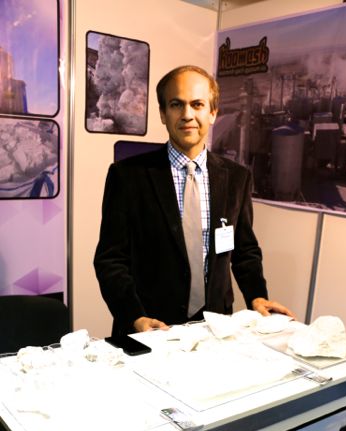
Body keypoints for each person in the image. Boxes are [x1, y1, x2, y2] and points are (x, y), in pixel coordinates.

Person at [94, 65, 294, 337]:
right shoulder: (128, 176)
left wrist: (257, 296)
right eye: (176, 104)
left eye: (197, 104)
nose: (187, 114)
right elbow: (110, 260)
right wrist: (134, 315)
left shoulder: (237, 177)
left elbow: (244, 250)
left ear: (212, 113)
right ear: (163, 113)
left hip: (215, 327)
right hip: (150, 328)